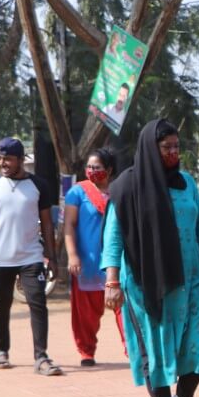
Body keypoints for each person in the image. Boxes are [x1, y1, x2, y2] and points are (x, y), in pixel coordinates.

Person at [102, 119, 199, 397]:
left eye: (177, 146)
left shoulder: (185, 183)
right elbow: (113, 239)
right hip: (146, 286)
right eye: (167, 147)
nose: (174, 153)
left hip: (193, 281)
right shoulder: (127, 188)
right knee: (154, 351)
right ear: (150, 149)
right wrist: (112, 282)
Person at [0, 137, 63, 375]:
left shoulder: (39, 185)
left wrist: (51, 257)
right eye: (0, 158)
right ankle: (2, 351)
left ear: (21, 160)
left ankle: (41, 357)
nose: (3, 162)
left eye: (8, 158)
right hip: (0, 257)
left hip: (31, 257)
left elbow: (47, 223)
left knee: (38, 303)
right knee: (1, 305)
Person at [64, 148, 127, 366]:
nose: (92, 171)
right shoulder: (77, 192)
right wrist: (72, 255)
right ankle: (86, 351)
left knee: (123, 308)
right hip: (87, 260)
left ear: (109, 170)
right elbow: (69, 226)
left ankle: (132, 349)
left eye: (97, 167)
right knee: (86, 312)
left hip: (117, 262)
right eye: (89, 167)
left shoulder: (120, 191)